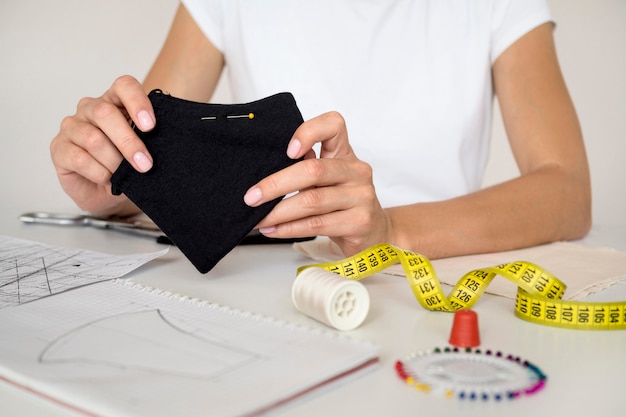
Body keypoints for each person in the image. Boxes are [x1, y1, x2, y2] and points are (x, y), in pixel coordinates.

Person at [50, 0, 591, 260]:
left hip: (440, 284)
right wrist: (112, 187)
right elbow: (149, 161)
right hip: (272, 296)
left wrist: (389, 234)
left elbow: (566, 191)